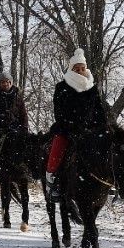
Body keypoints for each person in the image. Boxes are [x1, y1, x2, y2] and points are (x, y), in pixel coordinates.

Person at [44, 48, 109, 198]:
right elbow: (59, 112)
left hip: (90, 131)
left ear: (86, 69)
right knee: (58, 147)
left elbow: (99, 111)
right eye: (77, 68)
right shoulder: (62, 87)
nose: (80, 71)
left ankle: (107, 180)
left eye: (82, 68)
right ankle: (52, 180)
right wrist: (72, 127)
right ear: (71, 69)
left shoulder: (92, 88)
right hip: (67, 129)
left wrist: (101, 127)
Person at [0, 71, 29, 185]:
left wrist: (24, 128)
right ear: (0, 83)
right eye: (3, 82)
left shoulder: (18, 96)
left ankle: (28, 170)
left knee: (29, 146)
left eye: (7, 82)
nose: (5, 84)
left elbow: (23, 114)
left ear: (11, 82)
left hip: (15, 129)